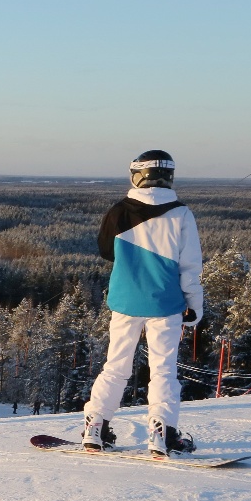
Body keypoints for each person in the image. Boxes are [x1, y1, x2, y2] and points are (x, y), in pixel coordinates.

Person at [83, 150, 203, 456]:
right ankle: (162, 433)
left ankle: (95, 426)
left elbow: (106, 251)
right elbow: (190, 266)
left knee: (115, 366)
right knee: (163, 371)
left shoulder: (119, 212)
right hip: (165, 304)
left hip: (124, 301)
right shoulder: (181, 214)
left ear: (137, 175)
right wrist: (194, 304)